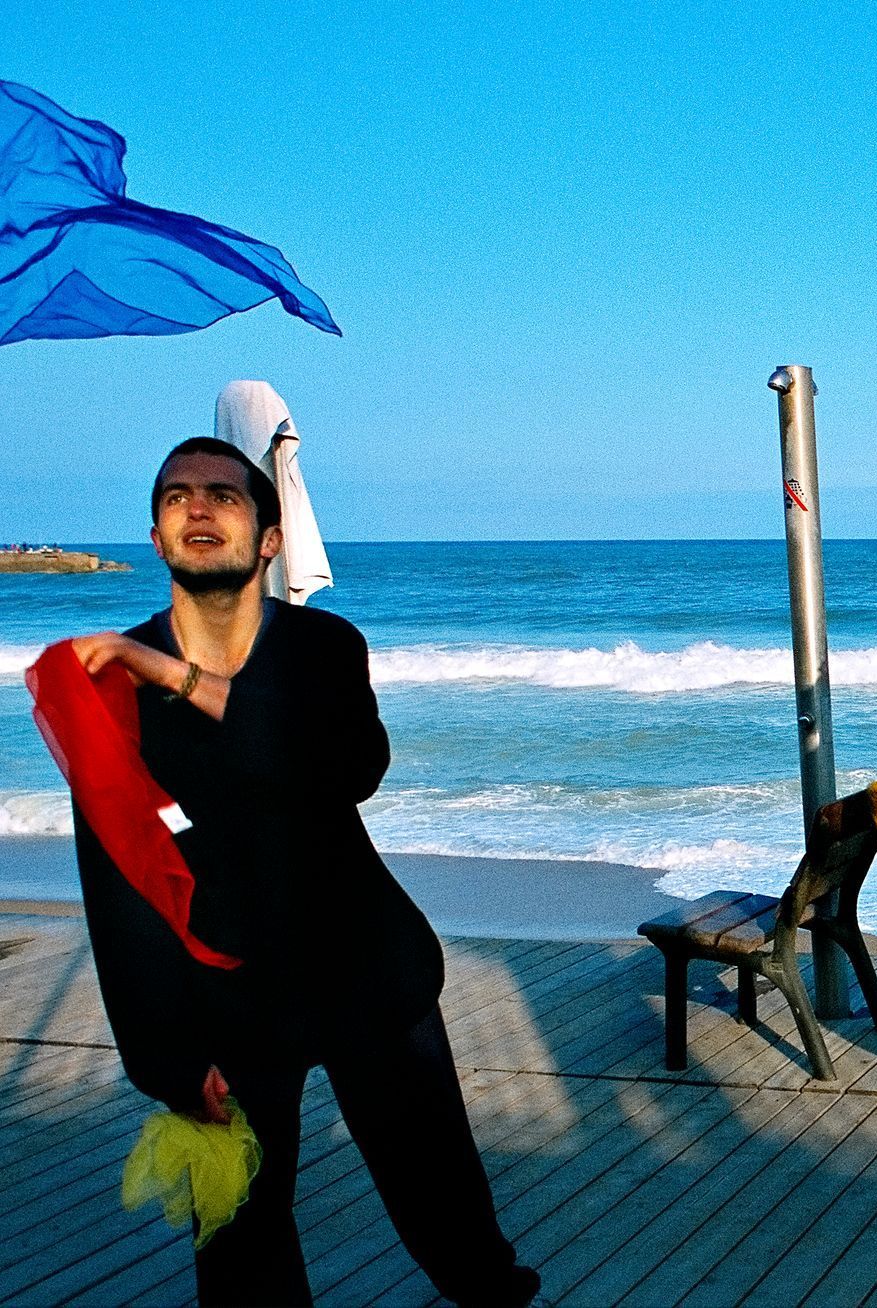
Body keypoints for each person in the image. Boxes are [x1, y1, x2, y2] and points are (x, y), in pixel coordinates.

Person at [56, 439, 536, 1307]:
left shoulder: (322, 647)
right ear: (157, 536)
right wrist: (156, 1051)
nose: (197, 509)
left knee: (449, 1213)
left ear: (269, 540)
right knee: (240, 1245)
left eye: (223, 496)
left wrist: (171, 672)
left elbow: (345, 768)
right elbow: (117, 870)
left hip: (366, 977)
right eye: (176, 498)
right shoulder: (113, 683)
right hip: (226, 999)